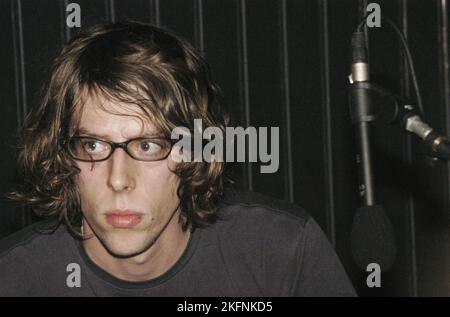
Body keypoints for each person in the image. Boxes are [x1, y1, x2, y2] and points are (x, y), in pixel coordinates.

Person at [0, 21, 356, 296]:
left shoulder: (280, 251)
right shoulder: (15, 278)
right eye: (92, 146)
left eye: (148, 146)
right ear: (61, 157)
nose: (119, 179)